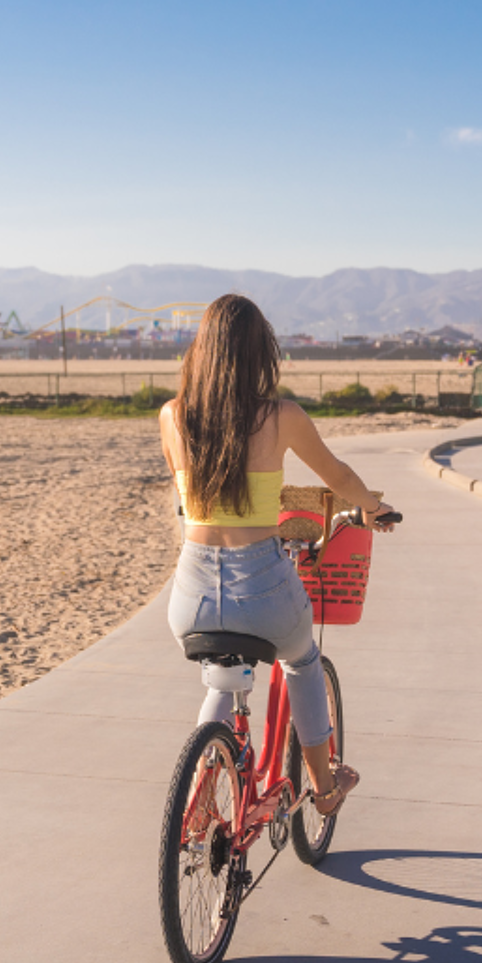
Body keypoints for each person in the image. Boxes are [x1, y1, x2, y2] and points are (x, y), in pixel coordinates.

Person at [158, 294, 393, 816]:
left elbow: (189, 500)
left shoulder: (172, 416)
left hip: (191, 593)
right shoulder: (281, 415)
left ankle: (197, 798)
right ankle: (324, 787)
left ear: (202, 351)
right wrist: (373, 509)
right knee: (302, 661)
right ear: (259, 352)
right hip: (259, 584)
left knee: (223, 674)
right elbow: (340, 478)